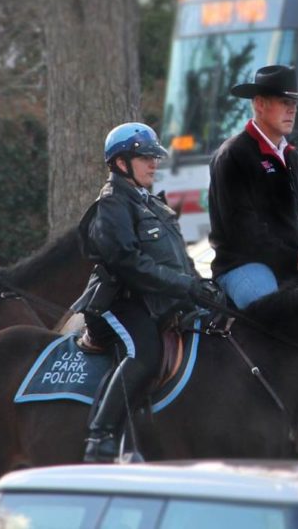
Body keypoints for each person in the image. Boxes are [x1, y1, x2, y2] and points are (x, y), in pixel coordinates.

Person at [72, 122, 223, 463]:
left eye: (154, 157)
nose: (154, 164)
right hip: (120, 302)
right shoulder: (112, 204)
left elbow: (178, 259)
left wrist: (199, 284)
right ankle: (102, 435)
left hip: (158, 300)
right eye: (145, 158)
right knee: (145, 354)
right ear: (121, 162)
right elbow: (128, 264)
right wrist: (183, 285)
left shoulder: (151, 203)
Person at [208, 65, 298, 309]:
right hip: (241, 264)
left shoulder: (292, 157)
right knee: (274, 313)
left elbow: (293, 225)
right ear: (259, 104)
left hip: (287, 263)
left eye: (294, 103)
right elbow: (241, 231)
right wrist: (296, 259)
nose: (292, 109)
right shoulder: (233, 154)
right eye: (284, 101)